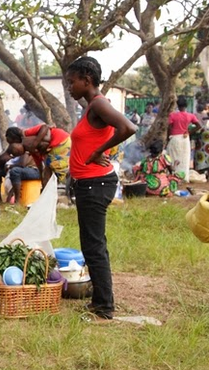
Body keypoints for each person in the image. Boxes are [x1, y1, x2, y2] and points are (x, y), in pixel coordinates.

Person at [66, 56, 136, 320]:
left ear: (87, 79)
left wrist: (98, 151)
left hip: (96, 183)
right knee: (92, 243)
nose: (70, 87)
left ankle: (104, 306)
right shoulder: (92, 106)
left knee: (93, 245)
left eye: (72, 82)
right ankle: (100, 299)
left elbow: (128, 127)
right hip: (90, 183)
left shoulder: (98, 103)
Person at [167, 96, 200, 182]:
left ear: (177, 105)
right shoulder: (190, 115)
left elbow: (169, 128)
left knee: (172, 158)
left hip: (174, 138)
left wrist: (168, 139)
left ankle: (173, 177)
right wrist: (189, 131)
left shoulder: (172, 115)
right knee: (184, 159)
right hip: (185, 139)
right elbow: (198, 126)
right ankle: (184, 178)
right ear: (186, 105)